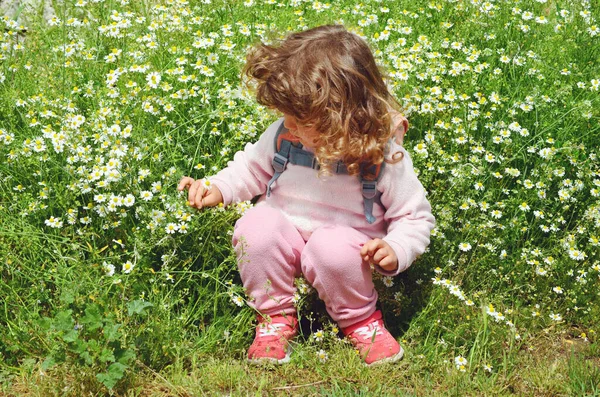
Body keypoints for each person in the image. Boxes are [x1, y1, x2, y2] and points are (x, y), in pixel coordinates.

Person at [178, 24, 435, 366]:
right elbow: (250, 170)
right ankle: (274, 317)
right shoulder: (286, 135)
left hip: (345, 255)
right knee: (254, 226)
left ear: (343, 117)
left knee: (331, 247)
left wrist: (396, 248)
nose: (289, 125)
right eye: (287, 116)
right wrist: (217, 188)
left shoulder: (381, 156)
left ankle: (360, 320)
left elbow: (414, 217)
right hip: (283, 240)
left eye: (301, 120)